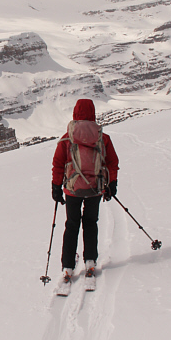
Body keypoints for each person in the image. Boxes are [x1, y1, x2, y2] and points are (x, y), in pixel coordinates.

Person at [51, 98, 119, 284]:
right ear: (93, 113)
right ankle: (90, 261)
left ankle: (68, 266)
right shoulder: (102, 138)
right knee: (90, 223)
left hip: (72, 190)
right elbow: (112, 162)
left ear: (75, 113)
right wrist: (112, 184)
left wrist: (56, 187)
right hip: (95, 189)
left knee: (72, 225)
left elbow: (58, 164)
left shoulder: (67, 138)